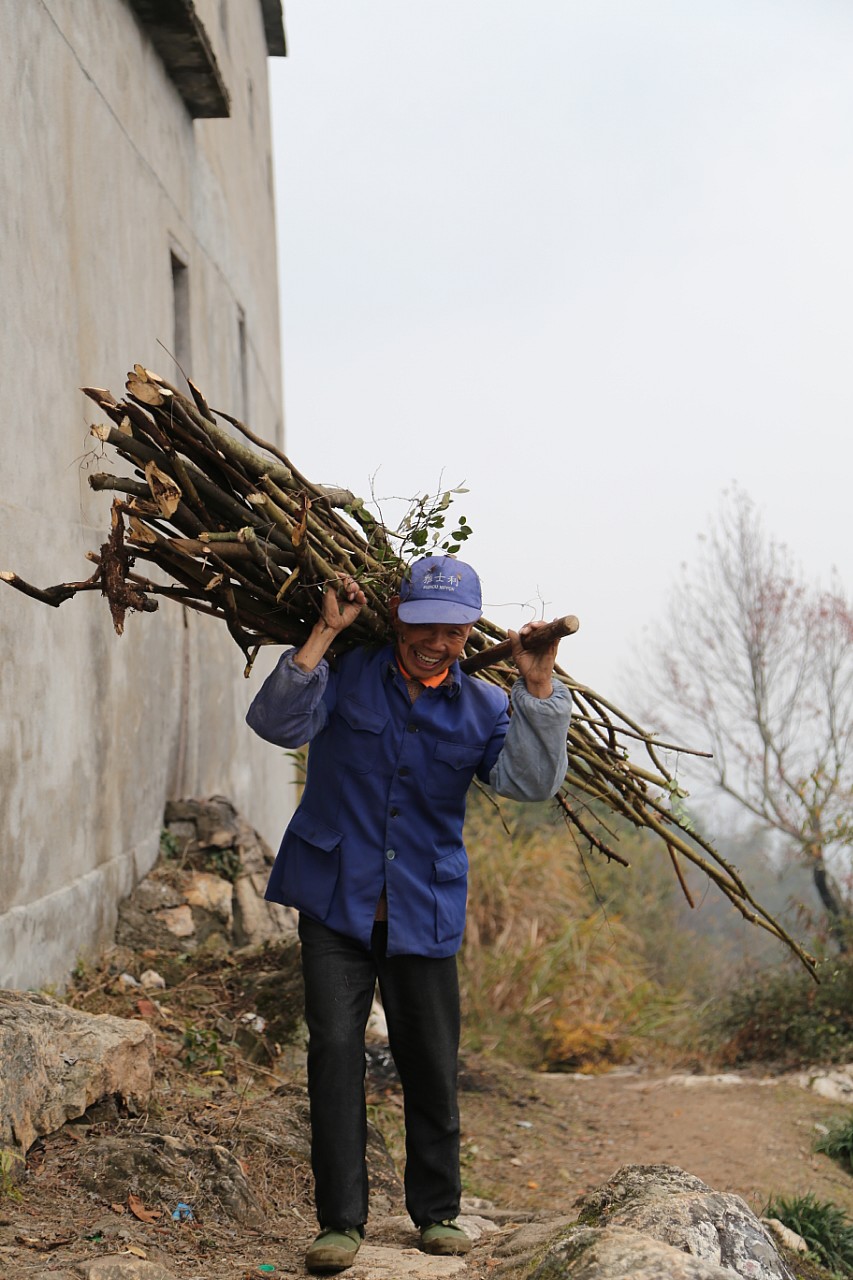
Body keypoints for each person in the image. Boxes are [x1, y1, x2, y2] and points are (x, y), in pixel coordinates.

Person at [246, 555, 572, 1275]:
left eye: (454, 631)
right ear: (398, 616)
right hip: (335, 900)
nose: (437, 642)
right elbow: (275, 723)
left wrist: (537, 684)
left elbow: (531, 782)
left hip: (423, 905)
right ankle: (339, 1222)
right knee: (334, 1052)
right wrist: (324, 633)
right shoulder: (349, 672)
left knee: (429, 1060)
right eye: (425, 625)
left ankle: (438, 1212)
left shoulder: (484, 706)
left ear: (469, 632)